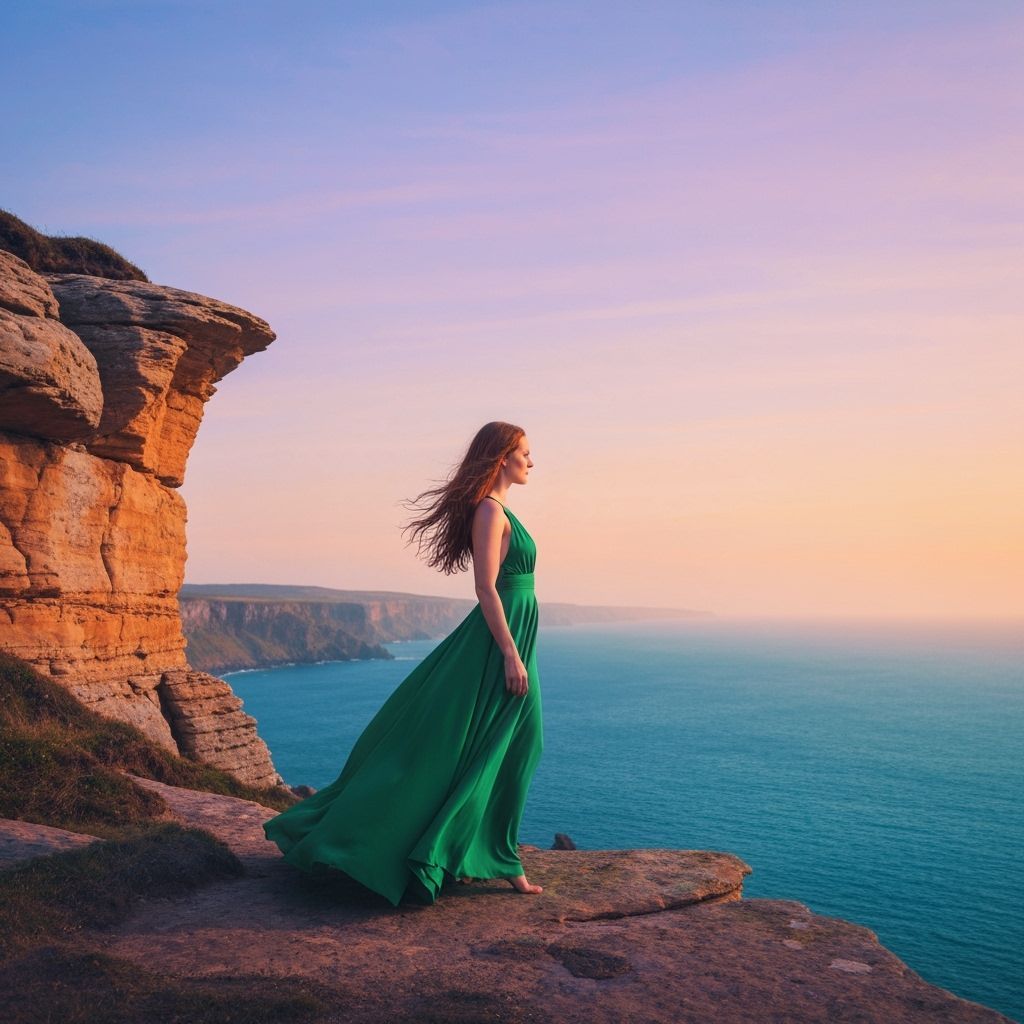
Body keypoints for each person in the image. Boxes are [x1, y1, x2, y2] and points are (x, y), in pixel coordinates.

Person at [262, 421, 544, 905]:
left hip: (516, 634)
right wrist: (510, 654)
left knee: (516, 743)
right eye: (525, 452)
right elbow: (485, 587)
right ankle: (487, 858)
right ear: (503, 457)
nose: (531, 462)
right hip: (500, 643)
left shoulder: (502, 511)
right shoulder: (489, 511)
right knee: (488, 743)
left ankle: (478, 853)